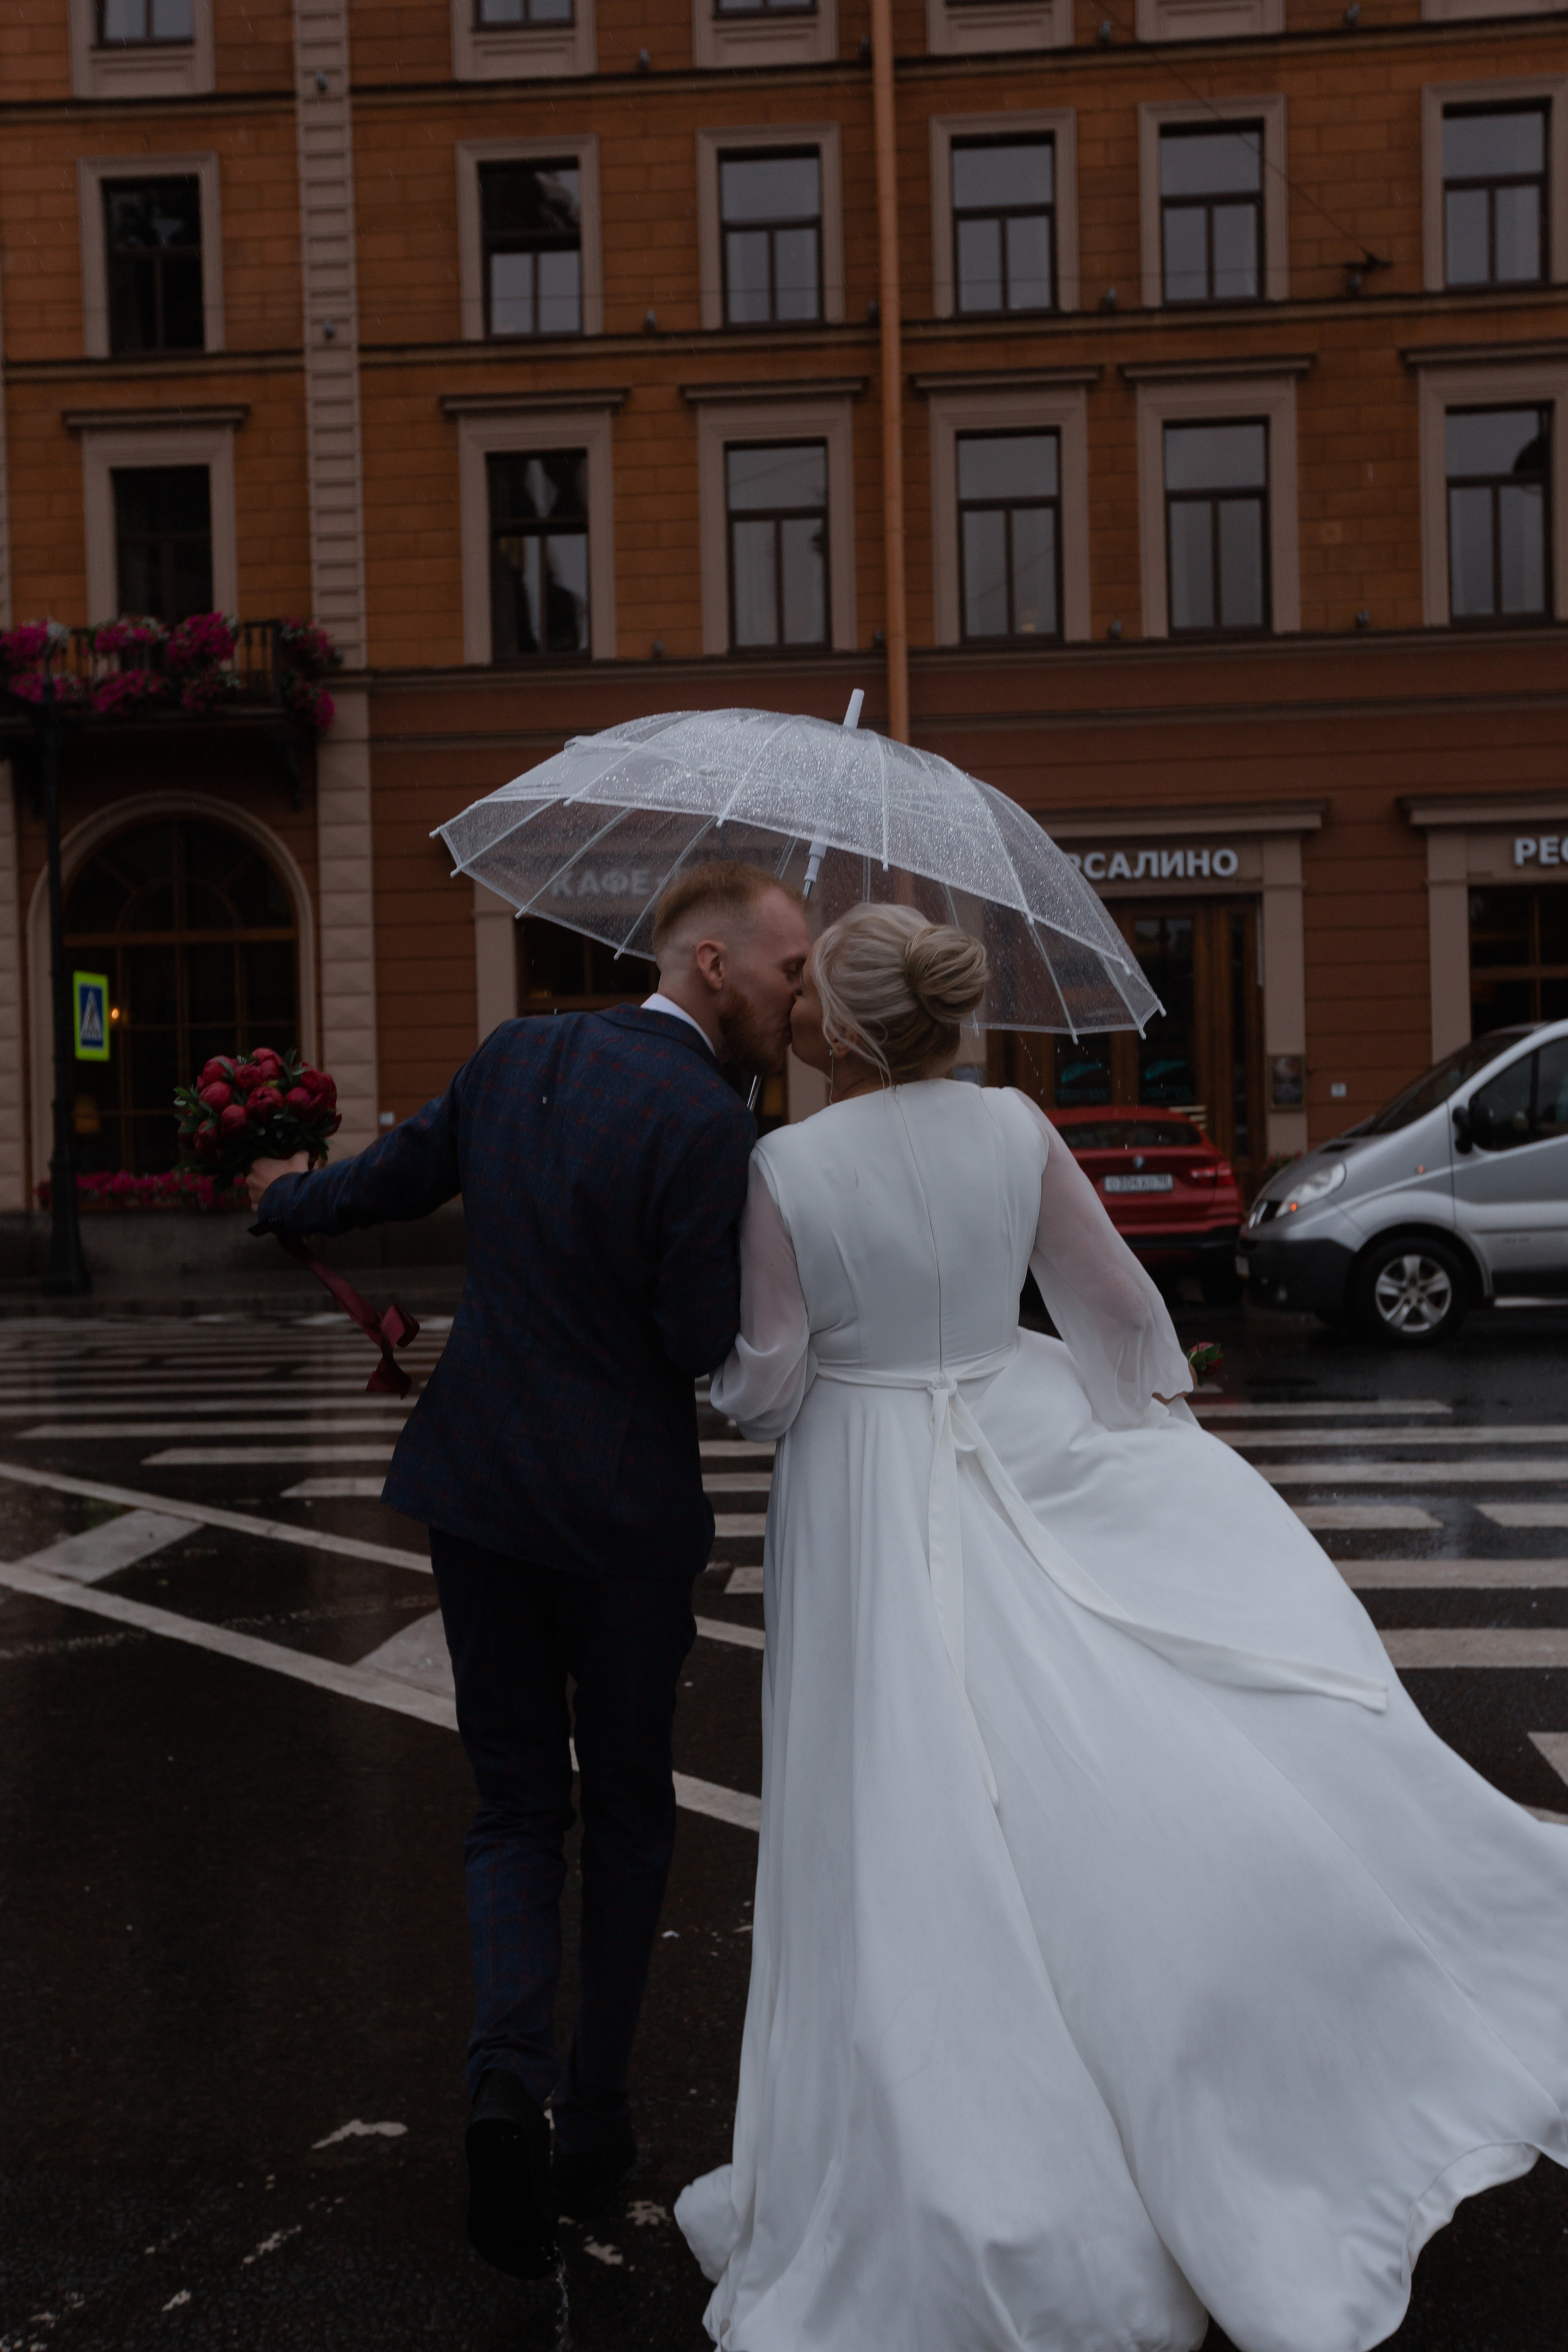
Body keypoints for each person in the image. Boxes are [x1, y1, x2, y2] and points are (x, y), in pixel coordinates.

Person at [675, 902, 1568, 2352]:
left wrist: (716, 1365)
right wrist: (1146, 1456)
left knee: (887, 1796)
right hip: (1014, 1430)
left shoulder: (781, 1163)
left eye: (811, 994)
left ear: (847, 1029)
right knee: (1059, 1758)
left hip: (861, 1485)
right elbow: (1110, 1308)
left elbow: (768, 1386)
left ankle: (929, 2148)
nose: (797, 1015)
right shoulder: (1014, 1125)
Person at [247, 861, 811, 2283]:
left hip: (480, 1493)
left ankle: (503, 2085)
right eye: (788, 970)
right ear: (709, 965)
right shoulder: (709, 1122)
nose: (797, 998)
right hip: (620, 1525)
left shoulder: (516, 1054)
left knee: (510, 1807)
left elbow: (395, 1178)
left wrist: (286, 1198)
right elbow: (693, 1340)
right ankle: (592, 2122)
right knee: (622, 1815)